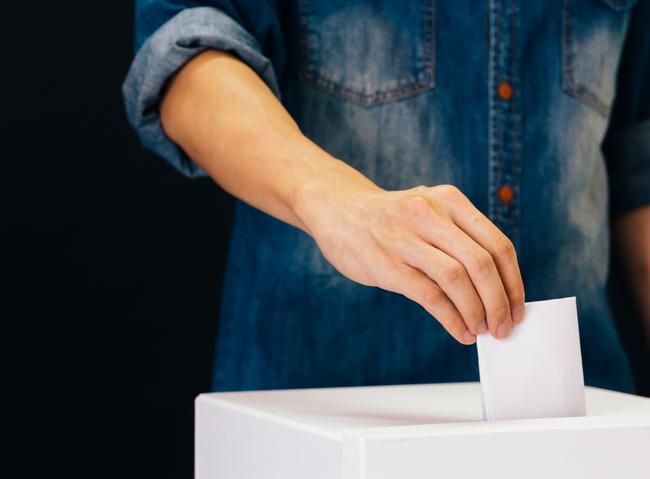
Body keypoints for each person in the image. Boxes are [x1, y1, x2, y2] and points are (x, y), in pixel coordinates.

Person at [123, 1, 650, 393]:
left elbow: (639, 164)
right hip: (320, 415)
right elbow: (185, 52)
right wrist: (333, 199)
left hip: (574, 420)